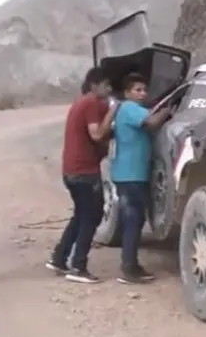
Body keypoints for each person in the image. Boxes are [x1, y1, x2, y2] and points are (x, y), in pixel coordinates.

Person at [46, 67, 115, 283]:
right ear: (95, 84)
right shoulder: (92, 103)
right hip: (84, 170)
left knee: (81, 214)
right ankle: (78, 266)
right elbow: (96, 134)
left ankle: (59, 257)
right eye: (106, 85)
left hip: (72, 169)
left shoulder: (82, 102)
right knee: (92, 216)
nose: (110, 89)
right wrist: (113, 113)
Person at [111, 73, 171, 284]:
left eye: (144, 90)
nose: (142, 93)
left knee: (135, 220)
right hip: (130, 175)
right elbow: (153, 122)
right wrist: (167, 110)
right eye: (137, 89)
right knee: (133, 220)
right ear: (127, 93)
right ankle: (129, 268)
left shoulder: (134, 109)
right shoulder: (129, 108)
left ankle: (131, 264)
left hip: (131, 174)